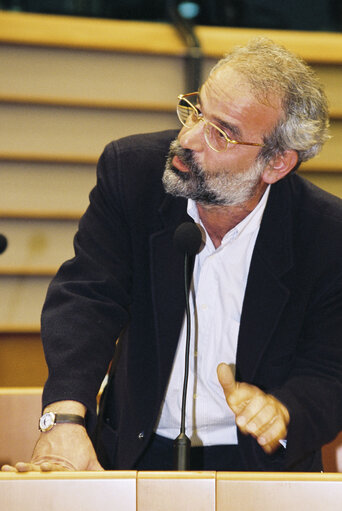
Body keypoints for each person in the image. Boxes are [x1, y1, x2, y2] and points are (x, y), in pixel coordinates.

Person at [3, 37, 342, 473]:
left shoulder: (325, 234)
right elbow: (88, 296)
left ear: (276, 164)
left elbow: (331, 368)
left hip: (261, 466)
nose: (189, 138)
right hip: (138, 449)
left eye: (221, 133)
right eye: (197, 110)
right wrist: (65, 418)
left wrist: (285, 411)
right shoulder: (132, 173)